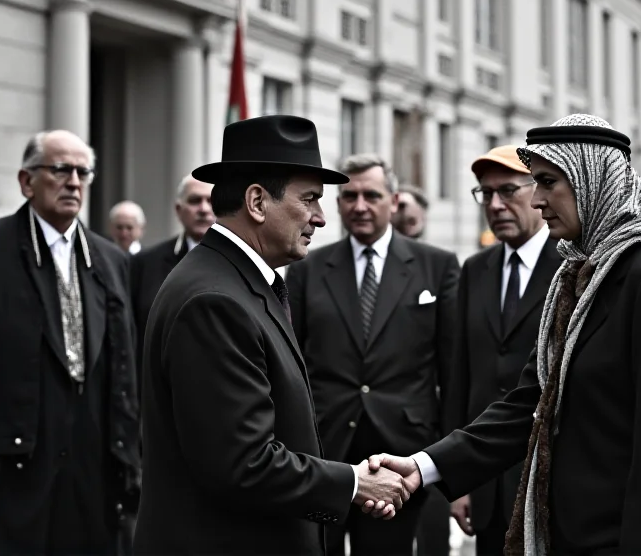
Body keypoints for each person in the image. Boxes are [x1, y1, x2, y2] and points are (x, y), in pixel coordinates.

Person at [366, 114, 641, 556]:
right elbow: (531, 402)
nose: (536, 200)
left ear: (592, 181)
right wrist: (423, 466)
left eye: (547, 182)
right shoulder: (577, 274)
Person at [133, 116, 410, 556]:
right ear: (258, 202)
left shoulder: (234, 282)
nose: (321, 217)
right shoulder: (215, 299)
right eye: (310, 200)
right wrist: (354, 482)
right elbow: (243, 463)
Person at [285, 153, 460, 556]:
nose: (359, 206)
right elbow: (294, 362)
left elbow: (451, 370)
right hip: (325, 451)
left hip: (402, 453)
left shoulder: (438, 267)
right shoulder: (309, 268)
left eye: (371, 195)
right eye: (350, 196)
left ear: (393, 201)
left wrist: (447, 461)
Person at [0, 130, 140, 554]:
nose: (74, 181)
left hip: (93, 470)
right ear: (26, 181)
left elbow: (124, 366)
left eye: (83, 172)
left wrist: (129, 458)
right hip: (14, 470)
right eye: (60, 170)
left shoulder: (110, 259)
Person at [446, 144, 562, 555]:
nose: (495, 205)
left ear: (537, 190)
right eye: (485, 194)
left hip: (548, 480)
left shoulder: (569, 267)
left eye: (508, 190)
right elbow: (460, 376)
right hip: (486, 484)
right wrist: (457, 479)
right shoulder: (475, 269)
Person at [129, 174, 214, 384]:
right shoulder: (146, 263)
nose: (203, 208)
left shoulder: (242, 264)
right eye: (195, 201)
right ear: (178, 210)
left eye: (211, 201)